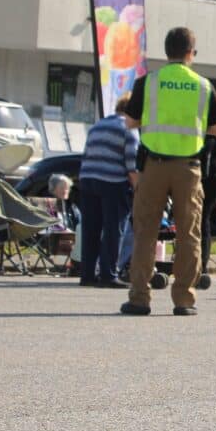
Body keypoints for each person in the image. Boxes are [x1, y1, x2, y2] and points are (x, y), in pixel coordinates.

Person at [121, 28, 216, 316]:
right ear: (191, 53)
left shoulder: (148, 82)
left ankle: (139, 298)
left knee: (145, 231)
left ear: (166, 52)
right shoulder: (204, 86)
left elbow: (130, 122)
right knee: (189, 233)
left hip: (153, 165)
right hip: (189, 168)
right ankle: (184, 300)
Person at [78, 93, 139, 288]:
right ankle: (108, 274)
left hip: (87, 180)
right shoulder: (129, 128)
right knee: (114, 229)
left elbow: (86, 155)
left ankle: (87, 274)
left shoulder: (98, 125)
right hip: (112, 182)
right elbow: (132, 165)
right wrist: (139, 190)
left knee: (91, 229)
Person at [199, 102, 216, 278]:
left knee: (200, 219)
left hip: (208, 177)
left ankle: (201, 265)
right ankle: (201, 264)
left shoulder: (210, 130)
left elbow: (206, 153)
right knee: (203, 220)